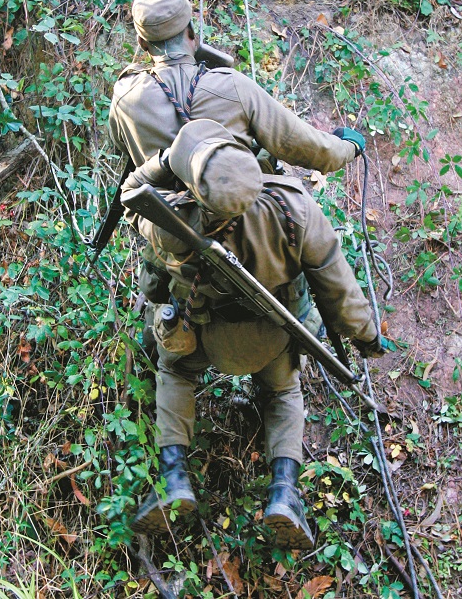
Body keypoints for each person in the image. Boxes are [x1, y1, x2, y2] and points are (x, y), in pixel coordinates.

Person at [121, 119, 384, 550]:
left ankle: (174, 477)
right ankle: (284, 492)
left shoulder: (168, 221)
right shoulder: (294, 207)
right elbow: (338, 288)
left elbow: (150, 281)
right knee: (284, 392)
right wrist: (368, 338)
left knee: (175, 372)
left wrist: (164, 166)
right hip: (272, 336)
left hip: (202, 337)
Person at [109, 0, 366, 339]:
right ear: (192, 33)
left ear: (141, 44)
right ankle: (351, 332)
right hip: (251, 243)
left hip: (179, 251)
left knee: (172, 366)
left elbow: (121, 148)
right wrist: (347, 146)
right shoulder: (232, 86)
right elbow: (309, 149)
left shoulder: (125, 97)